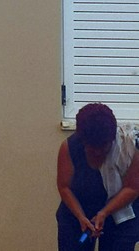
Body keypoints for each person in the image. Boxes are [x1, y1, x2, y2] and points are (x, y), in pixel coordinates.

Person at [57, 102, 139, 250]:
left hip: (121, 214)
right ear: (82, 141)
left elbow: (132, 188)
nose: (98, 153)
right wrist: (81, 217)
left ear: (112, 138)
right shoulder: (69, 147)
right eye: (92, 148)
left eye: (103, 147)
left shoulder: (130, 147)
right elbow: (64, 187)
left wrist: (104, 212)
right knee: (78, 244)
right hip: (77, 214)